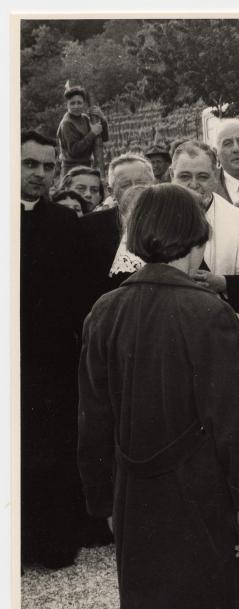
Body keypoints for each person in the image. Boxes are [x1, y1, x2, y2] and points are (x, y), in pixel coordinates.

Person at [77, 183, 239, 609]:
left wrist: (104, 502)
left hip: (134, 492)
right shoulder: (209, 310)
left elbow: (93, 420)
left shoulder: (103, 312)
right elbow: (237, 420)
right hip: (204, 491)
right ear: (197, 234)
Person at [111, 141, 239, 364]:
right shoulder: (147, 216)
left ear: (216, 175)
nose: (194, 184)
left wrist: (223, 283)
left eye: (203, 176)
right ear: (171, 174)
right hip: (160, 337)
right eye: (185, 176)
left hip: (222, 340)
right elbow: (124, 276)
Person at [20, 130, 86, 569]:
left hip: (51, 365)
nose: (40, 175)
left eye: (48, 166)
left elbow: (77, 296)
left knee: (49, 452)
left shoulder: (64, 225)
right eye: (30, 164)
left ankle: (50, 545)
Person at [79, 154, 157, 307]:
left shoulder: (172, 222)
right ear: (111, 191)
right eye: (125, 184)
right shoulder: (89, 227)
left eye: (141, 182)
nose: (134, 188)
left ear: (154, 184)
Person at [57, 85, 109, 173]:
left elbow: (103, 138)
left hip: (87, 166)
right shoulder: (66, 123)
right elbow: (74, 151)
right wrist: (92, 133)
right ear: (67, 105)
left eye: (79, 103)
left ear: (84, 104)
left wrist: (102, 118)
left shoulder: (84, 118)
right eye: (72, 103)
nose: (76, 106)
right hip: (71, 169)